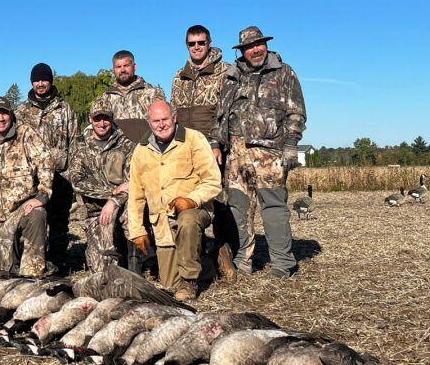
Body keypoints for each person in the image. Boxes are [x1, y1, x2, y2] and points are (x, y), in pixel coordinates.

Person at [209, 26, 307, 278]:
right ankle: (243, 260)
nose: (255, 49)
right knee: (238, 209)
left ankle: (283, 263)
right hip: (236, 153)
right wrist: (216, 144)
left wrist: (291, 145)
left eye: (259, 44)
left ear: (265, 44)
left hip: (270, 153)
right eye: (249, 46)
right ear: (242, 51)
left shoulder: (284, 73)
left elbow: (296, 113)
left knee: (273, 208)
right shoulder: (231, 78)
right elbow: (219, 115)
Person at [128, 101, 222, 301]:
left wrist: (192, 199)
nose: (161, 124)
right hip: (162, 223)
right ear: (149, 122)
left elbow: (213, 181)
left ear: (174, 117)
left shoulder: (194, 139)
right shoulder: (141, 149)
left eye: (165, 119)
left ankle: (189, 282)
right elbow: (135, 193)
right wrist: (137, 230)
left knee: (187, 220)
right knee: (169, 281)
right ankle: (215, 261)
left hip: (194, 212)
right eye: (156, 121)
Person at [171, 24, 236, 282]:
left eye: (200, 42)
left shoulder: (226, 71)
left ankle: (223, 252)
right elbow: (174, 116)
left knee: (219, 203)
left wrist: (216, 143)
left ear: (209, 43)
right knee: (190, 202)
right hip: (186, 152)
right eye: (191, 43)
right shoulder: (179, 76)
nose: (196, 47)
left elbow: (228, 111)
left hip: (214, 149)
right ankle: (196, 255)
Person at [0, 96, 54, 276]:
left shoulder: (25, 134)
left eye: (5, 113)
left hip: (22, 208)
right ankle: (15, 268)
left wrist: (42, 196)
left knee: (37, 215)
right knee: (3, 274)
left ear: (11, 114)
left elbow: (45, 162)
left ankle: (33, 274)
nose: (1, 118)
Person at [14, 62, 78, 263]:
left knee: (59, 220)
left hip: (60, 176)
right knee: (34, 219)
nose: (40, 84)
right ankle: (36, 259)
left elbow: (75, 142)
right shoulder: (21, 111)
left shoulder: (64, 109)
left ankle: (58, 259)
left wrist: (72, 174)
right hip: (31, 178)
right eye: (36, 80)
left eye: (44, 79)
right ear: (32, 82)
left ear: (50, 81)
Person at [68, 98, 137, 273]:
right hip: (95, 211)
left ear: (112, 119)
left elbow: (132, 182)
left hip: (122, 206)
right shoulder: (80, 144)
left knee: (134, 213)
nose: (102, 123)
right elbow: (77, 182)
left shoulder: (126, 144)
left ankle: (136, 267)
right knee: (101, 272)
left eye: (106, 118)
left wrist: (114, 201)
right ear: (90, 119)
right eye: (98, 118)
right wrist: (110, 192)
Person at [93, 50, 167, 144]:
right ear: (113, 70)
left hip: (147, 152)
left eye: (126, 65)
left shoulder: (153, 92)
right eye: (118, 67)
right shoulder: (104, 98)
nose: (122, 70)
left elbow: (165, 125)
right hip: (116, 155)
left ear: (134, 66)